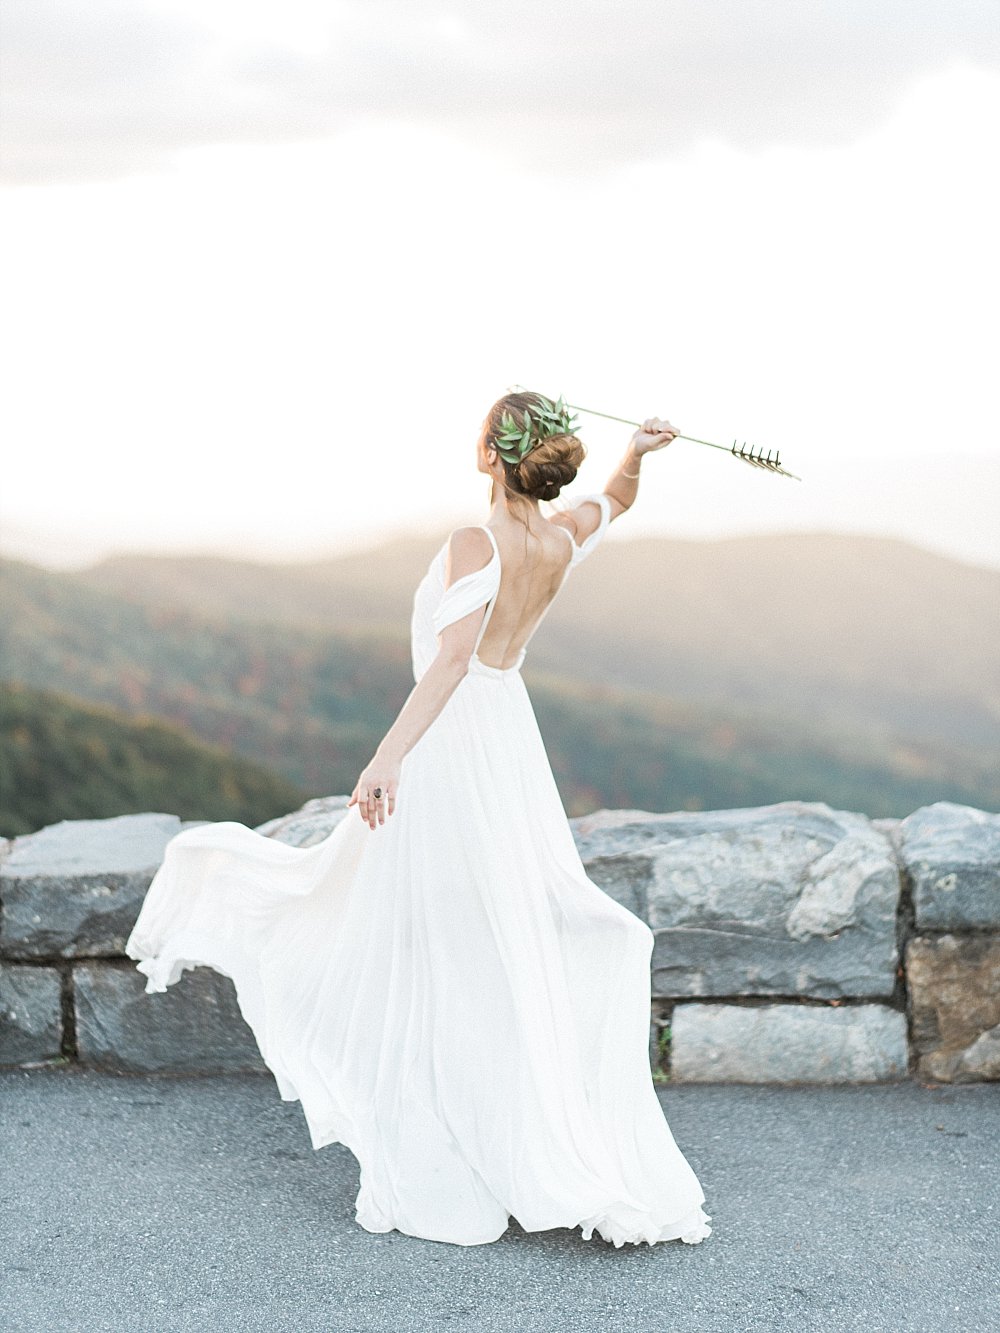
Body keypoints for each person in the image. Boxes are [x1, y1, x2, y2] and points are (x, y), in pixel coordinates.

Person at [125, 389, 713, 1248]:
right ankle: (502, 1128)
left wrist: (385, 756)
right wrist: (637, 453)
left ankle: (463, 1139)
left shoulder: (475, 540)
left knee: (429, 932)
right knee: (489, 931)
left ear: (489, 454)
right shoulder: (558, 537)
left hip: (455, 743)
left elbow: (448, 661)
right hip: (509, 740)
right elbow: (612, 501)